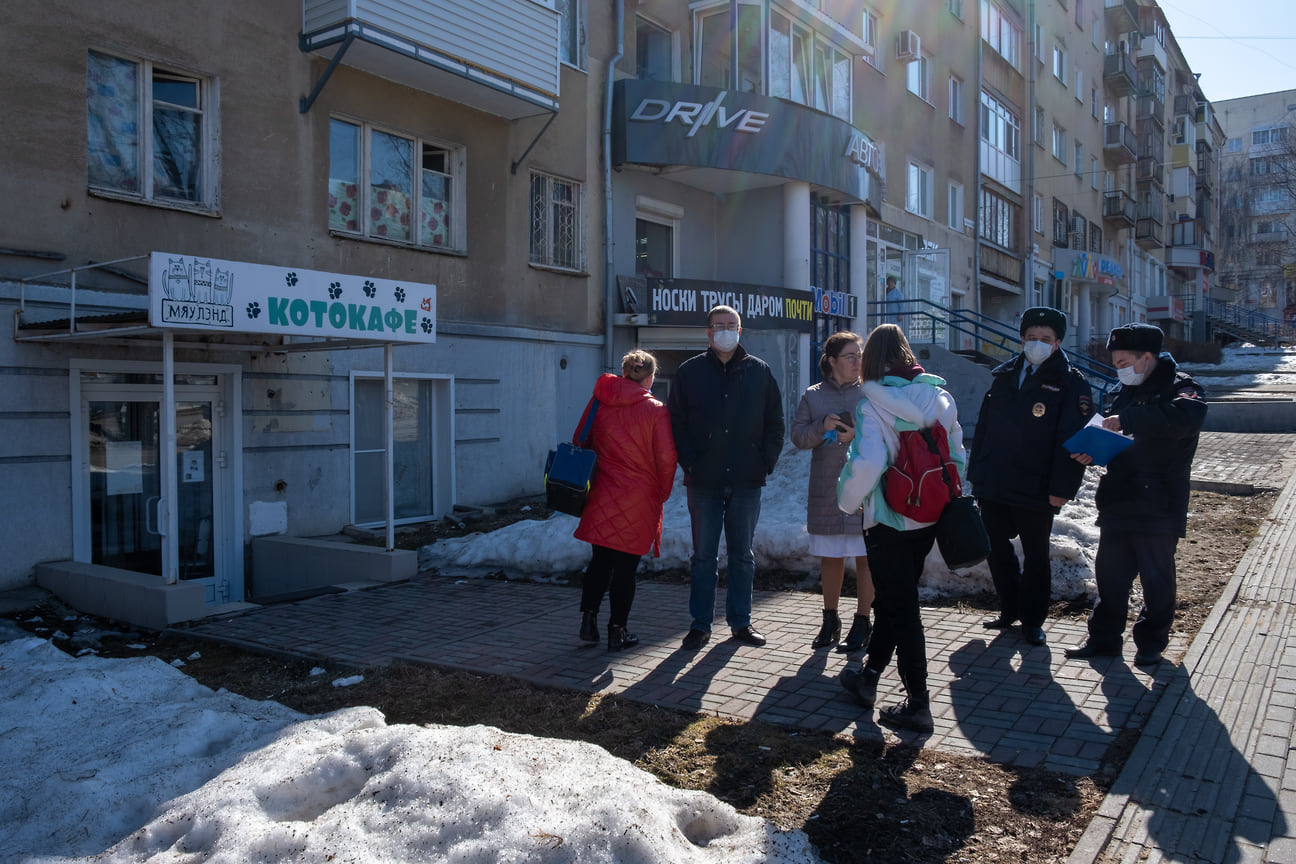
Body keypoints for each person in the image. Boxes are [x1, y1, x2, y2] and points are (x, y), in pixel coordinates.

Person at [835, 324, 967, 732]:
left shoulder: (871, 404)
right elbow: (958, 452)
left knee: (902, 607)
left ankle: (918, 702)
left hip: (888, 518)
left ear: (873, 360)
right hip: (929, 513)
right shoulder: (939, 395)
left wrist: (846, 499)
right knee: (896, 599)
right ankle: (870, 678)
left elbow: (869, 463)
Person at [1065, 323, 1206, 667]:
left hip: (1160, 501)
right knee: (1110, 575)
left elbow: (1185, 419)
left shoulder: (1182, 388)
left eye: (1124, 362)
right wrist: (1093, 450)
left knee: (1157, 578)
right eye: (1115, 363)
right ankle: (1104, 639)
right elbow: (1116, 434)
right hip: (1119, 498)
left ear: (1148, 357)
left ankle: (1151, 643)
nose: (1119, 370)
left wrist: (1125, 419)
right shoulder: (1123, 389)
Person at [968, 307, 1093, 646]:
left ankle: (1033, 620)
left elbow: (1073, 441)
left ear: (1057, 343)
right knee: (996, 549)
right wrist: (976, 475)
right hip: (995, 481)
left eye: (1046, 339)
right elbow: (983, 430)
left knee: (1037, 555)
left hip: (1038, 487)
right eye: (1032, 338)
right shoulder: (1005, 374)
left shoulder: (1071, 381)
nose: (1038, 344)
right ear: (1022, 339)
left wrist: (1061, 489)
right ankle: (1010, 609)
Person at [668, 305, 785, 651]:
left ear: (741, 329)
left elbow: (774, 422)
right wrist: (690, 462)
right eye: (718, 326)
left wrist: (765, 461)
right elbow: (676, 423)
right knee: (703, 555)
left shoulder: (759, 372)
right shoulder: (689, 373)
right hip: (703, 480)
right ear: (707, 332)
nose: (724, 331)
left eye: (730, 325)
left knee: (742, 555)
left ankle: (740, 622)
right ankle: (700, 624)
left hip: (747, 478)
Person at [573, 350, 678, 651]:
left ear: (624, 372)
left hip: (602, 493)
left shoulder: (600, 400)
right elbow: (667, 458)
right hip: (639, 498)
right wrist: (663, 491)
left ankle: (588, 621)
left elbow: (580, 438)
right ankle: (617, 631)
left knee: (600, 562)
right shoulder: (657, 410)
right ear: (650, 377)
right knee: (625, 570)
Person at [790, 332, 875, 652]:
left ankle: (863, 620)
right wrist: (821, 427)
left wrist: (857, 435)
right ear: (833, 360)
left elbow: (889, 435)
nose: (857, 362)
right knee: (831, 556)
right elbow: (798, 438)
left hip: (864, 487)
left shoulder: (870, 392)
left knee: (866, 556)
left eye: (860, 355)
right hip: (827, 489)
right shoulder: (813, 396)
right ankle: (830, 619)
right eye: (851, 356)